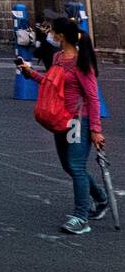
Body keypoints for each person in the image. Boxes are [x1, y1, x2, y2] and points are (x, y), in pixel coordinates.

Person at [17, 18, 109, 235]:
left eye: (52, 32)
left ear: (60, 36)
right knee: (69, 166)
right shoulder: (58, 58)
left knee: (76, 166)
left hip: (79, 120)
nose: (50, 35)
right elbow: (52, 83)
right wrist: (31, 74)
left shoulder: (81, 62)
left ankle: (81, 217)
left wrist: (95, 129)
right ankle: (101, 199)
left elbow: (93, 98)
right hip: (61, 118)